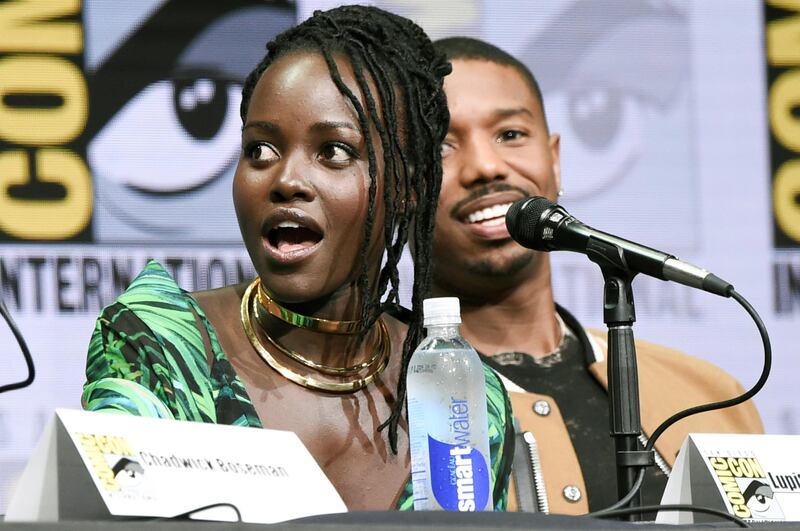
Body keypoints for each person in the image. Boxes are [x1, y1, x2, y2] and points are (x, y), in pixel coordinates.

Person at [81, 9, 513, 512]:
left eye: (333, 151)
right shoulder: (160, 345)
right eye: (260, 149)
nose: (285, 180)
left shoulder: (458, 391)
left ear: (408, 188)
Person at [430, 36, 763, 515]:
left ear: (555, 159)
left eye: (510, 134)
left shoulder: (713, 396)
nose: (485, 166)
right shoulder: (377, 404)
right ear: (400, 183)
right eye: (441, 144)